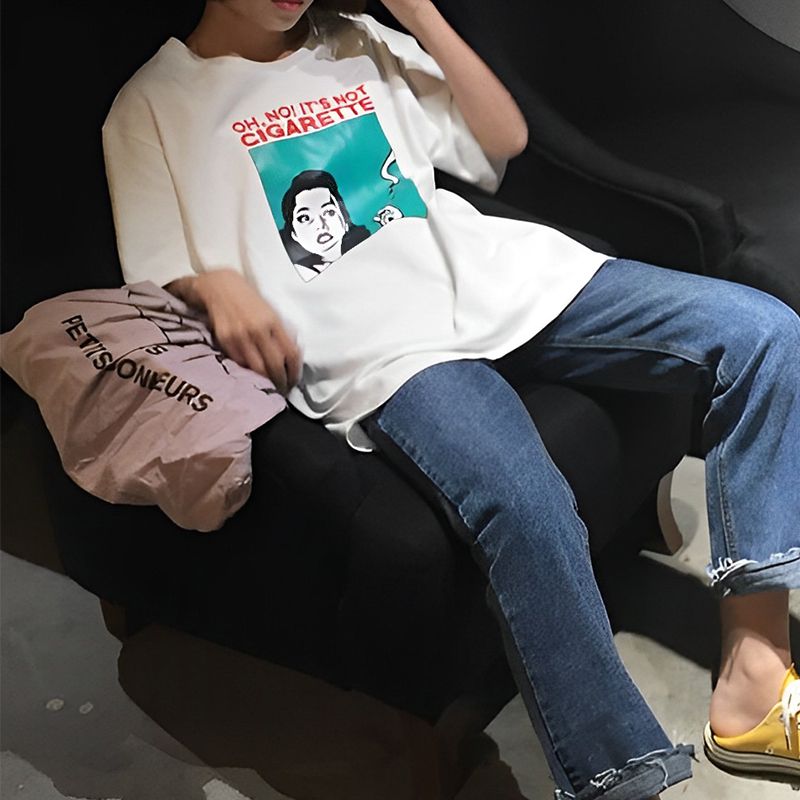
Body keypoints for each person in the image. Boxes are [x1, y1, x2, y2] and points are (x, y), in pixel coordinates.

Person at [102, 1, 800, 798]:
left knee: (766, 333)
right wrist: (210, 284)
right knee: (525, 501)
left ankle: (755, 678)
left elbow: (503, 138)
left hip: (498, 280)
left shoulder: (358, 41)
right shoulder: (156, 102)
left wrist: (418, 12)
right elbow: (150, 269)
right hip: (387, 350)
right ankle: (622, 781)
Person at [280, 169, 371, 281]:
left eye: (328, 212)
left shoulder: (369, 245)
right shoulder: (300, 274)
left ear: (344, 219)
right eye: (305, 218)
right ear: (294, 234)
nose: (320, 225)